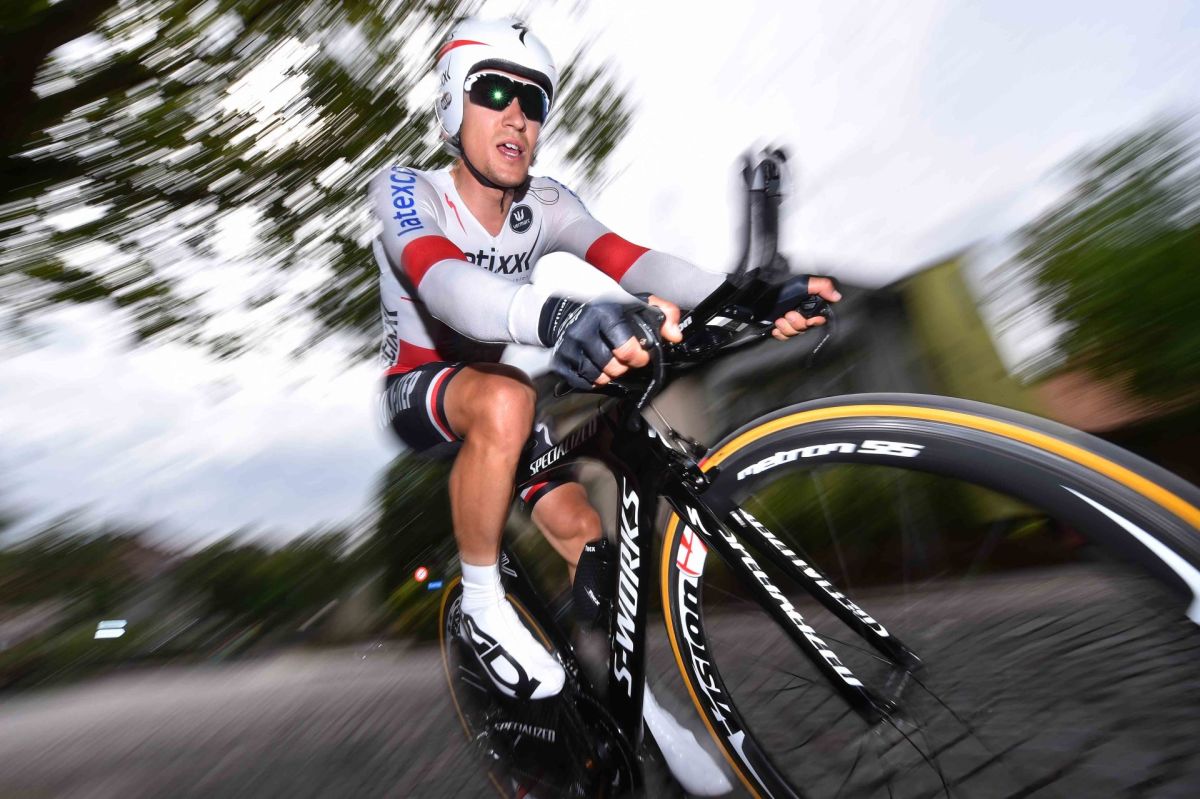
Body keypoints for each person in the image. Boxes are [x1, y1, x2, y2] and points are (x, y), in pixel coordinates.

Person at [369, 15, 840, 794]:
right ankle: (483, 607)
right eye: (493, 92)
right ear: (452, 105)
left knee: (586, 532)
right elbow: (443, 282)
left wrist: (745, 296)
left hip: (503, 402)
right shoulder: (406, 190)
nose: (517, 115)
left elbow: (631, 259)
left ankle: (642, 715)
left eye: (533, 100)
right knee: (507, 394)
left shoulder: (546, 202)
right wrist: (560, 316)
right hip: (423, 388)